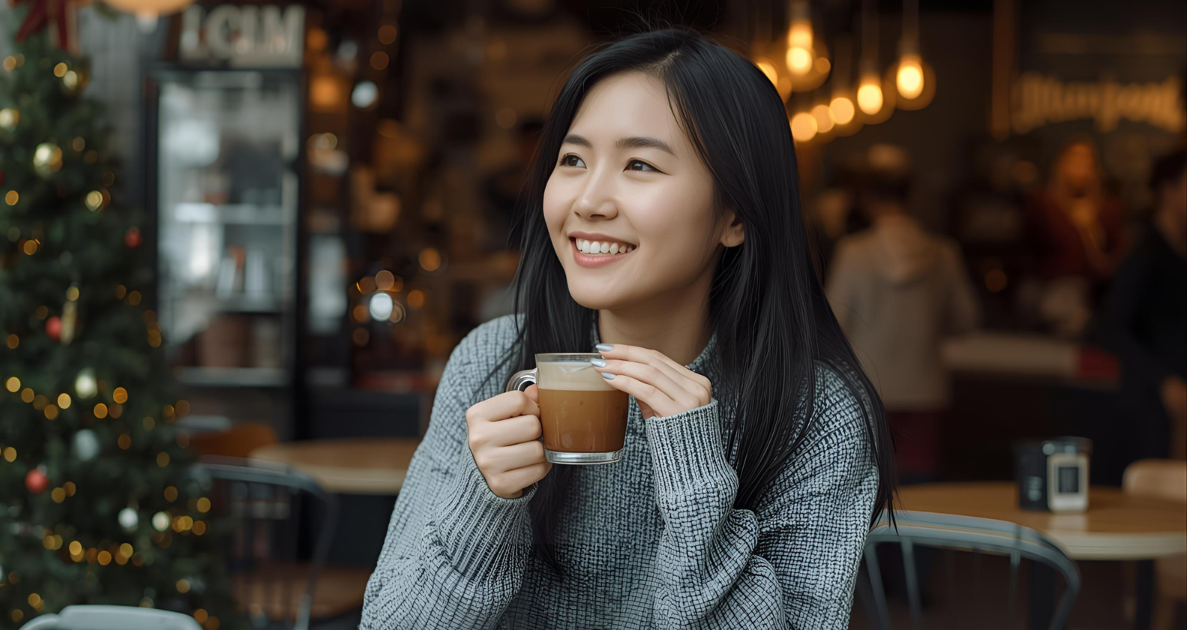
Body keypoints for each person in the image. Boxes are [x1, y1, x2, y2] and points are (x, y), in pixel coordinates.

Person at [361, 27, 895, 628]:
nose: (588, 200)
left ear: (735, 215)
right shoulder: (491, 363)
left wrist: (695, 487)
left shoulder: (813, 414)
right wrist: (483, 507)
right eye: (573, 160)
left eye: (639, 164)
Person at [825, 145, 980, 484]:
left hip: (868, 389)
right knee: (922, 494)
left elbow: (834, 326)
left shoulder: (853, 252)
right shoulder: (944, 253)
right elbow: (966, 320)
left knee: (869, 489)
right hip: (926, 389)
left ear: (867, 199)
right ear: (911, 195)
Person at [1096, 149, 1187, 463]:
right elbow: (1114, 328)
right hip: (1149, 403)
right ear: (1168, 190)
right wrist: (1163, 380)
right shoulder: (1145, 253)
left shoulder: (1179, 252)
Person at [1026, 140, 1126, 336]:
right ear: (1060, 165)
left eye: (1086, 163)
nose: (1080, 169)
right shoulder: (1043, 204)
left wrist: (1090, 230)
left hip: (1098, 290)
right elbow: (1030, 251)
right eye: (1074, 161)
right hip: (1053, 288)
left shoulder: (1109, 209)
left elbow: (1116, 260)